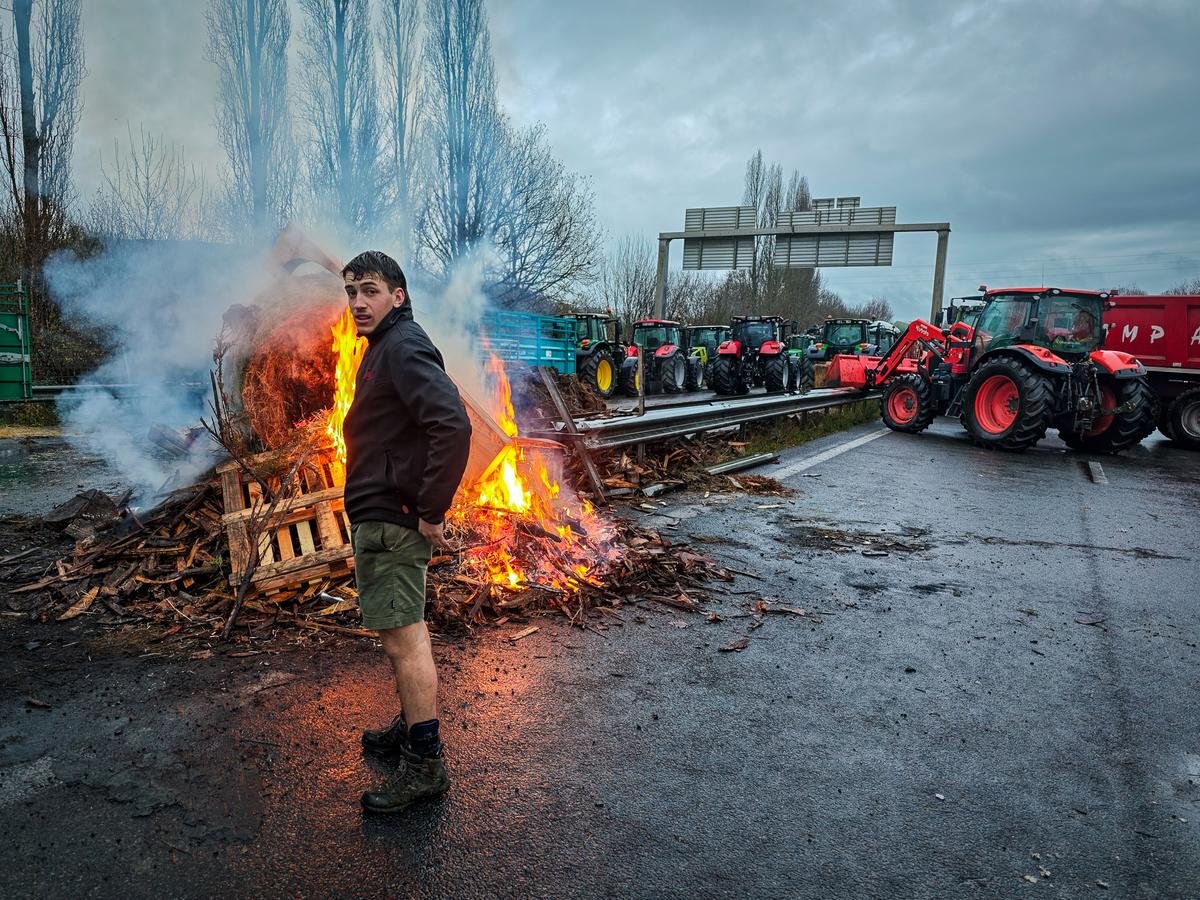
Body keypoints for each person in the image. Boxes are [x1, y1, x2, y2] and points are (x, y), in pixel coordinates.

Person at [339, 250, 472, 814]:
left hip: (395, 520)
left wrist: (431, 510)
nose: (357, 303)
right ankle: (409, 726)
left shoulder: (403, 346)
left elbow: (453, 423)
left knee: (405, 637)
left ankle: (426, 764)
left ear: (398, 295)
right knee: (400, 635)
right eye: (350, 292)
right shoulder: (382, 349)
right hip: (384, 515)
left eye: (369, 290)